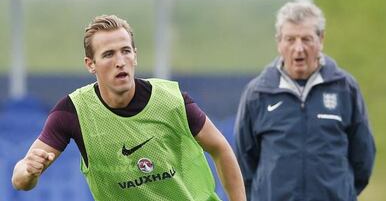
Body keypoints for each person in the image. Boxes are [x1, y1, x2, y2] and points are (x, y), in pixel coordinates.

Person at [12, 15, 246, 201]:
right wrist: (29, 171)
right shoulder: (72, 112)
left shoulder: (171, 100)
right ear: (90, 64)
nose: (120, 61)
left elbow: (221, 149)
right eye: (108, 54)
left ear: (136, 56)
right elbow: (20, 179)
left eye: (126, 51)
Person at [234, 2, 376, 201]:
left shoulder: (345, 88)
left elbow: (363, 157)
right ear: (279, 42)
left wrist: (341, 192)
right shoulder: (257, 93)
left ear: (321, 39)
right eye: (290, 39)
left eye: (306, 39)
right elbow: (243, 160)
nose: (298, 48)